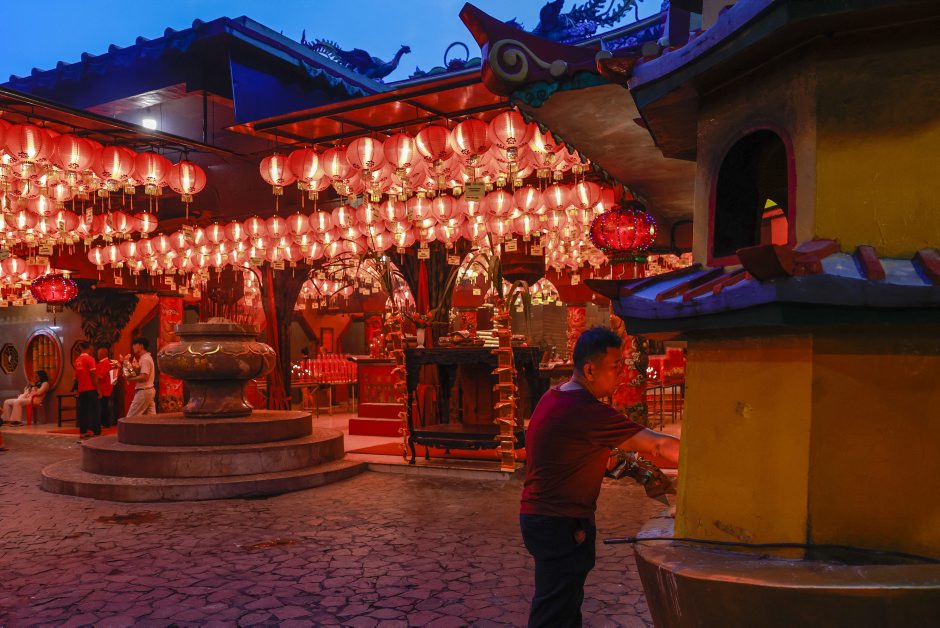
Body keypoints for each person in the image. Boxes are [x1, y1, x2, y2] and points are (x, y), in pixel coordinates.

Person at [520, 326, 681, 627]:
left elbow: (585, 456)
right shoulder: (584, 409)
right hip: (559, 522)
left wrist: (638, 471)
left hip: (544, 518)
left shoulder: (555, 396)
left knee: (564, 606)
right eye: (615, 366)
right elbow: (657, 445)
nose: (621, 373)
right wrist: (704, 461)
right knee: (554, 612)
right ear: (590, 370)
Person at [124, 337, 156, 416]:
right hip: (148, 390)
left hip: (144, 391)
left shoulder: (145, 359)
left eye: (135, 344)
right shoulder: (145, 358)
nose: (133, 347)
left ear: (141, 346)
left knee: (131, 417)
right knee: (151, 418)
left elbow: (144, 377)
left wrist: (130, 378)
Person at [74, 341, 99, 439]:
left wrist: (77, 389)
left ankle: (83, 431)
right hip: (91, 389)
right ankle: (93, 430)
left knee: (83, 411)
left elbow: (76, 377)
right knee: (93, 410)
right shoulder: (90, 359)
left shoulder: (77, 360)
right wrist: (98, 389)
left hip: (82, 389)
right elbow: (93, 376)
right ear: (89, 347)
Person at [96, 347, 117, 428]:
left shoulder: (106, 363)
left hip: (105, 389)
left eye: (98, 353)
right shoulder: (102, 363)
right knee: (103, 406)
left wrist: (92, 377)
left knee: (104, 406)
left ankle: (106, 423)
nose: (97, 355)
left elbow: (101, 376)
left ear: (102, 354)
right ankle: (103, 423)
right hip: (102, 389)